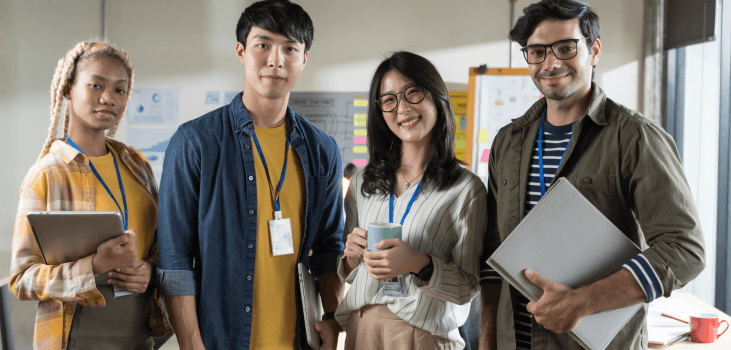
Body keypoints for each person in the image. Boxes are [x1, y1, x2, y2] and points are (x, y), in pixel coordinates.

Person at [479, 1, 706, 349]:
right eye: (536, 52)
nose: (550, 63)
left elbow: (684, 250)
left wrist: (584, 300)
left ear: (594, 50)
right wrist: (487, 337)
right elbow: (494, 249)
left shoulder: (635, 137)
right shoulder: (508, 142)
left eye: (566, 48)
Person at [155, 1, 345, 349]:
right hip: (221, 340)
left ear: (304, 59)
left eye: (290, 48)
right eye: (263, 45)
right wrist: (192, 344)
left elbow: (330, 248)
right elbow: (174, 260)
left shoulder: (322, 150)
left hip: (299, 340)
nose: (276, 59)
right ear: (241, 51)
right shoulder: (195, 142)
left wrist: (332, 318)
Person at [10, 41, 172, 350]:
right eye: (96, 85)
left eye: (120, 90)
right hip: (73, 340)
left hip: (140, 339)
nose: (108, 98)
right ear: (69, 89)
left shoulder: (137, 165)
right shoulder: (47, 174)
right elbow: (22, 279)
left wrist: (149, 270)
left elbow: (162, 245)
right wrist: (94, 266)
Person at [334, 51, 488, 350]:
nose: (402, 108)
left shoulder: (465, 189)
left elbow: (468, 286)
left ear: (435, 97)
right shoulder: (363, 182)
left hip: (422, 336)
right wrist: (352, 255)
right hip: (361, 329)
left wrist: (419, 263)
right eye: (389, 99)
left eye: (412, 93)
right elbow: (351, 271)